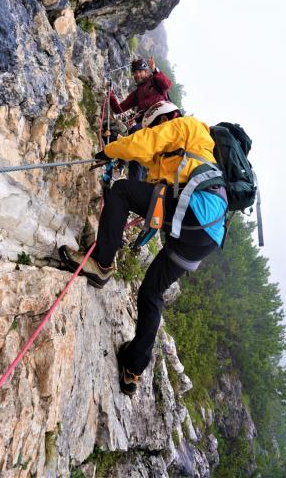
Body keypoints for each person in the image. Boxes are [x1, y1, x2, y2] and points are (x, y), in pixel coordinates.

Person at [59, 102, 228, 397]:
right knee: (151, 292)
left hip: (193, 212)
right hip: (207, 235)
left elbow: (145, 142)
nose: (155, 128)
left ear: (167, 116)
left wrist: (108, 151)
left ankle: (101, 264)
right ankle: (134, 367)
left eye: (156, 123)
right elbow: (154, 190)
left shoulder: (186, 125)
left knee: (122, 190)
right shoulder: (193, 155)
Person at [109, 57, 172, 180]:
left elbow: (167, 84)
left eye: (140, 71)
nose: (137, 74)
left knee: (134, 134)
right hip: (148, 126)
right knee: (136, 152)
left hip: (162, 122)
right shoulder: (137, 94)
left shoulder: (155, 81)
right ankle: (133, 182)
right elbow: (119, 109)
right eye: (135, 72)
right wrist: (111, 94)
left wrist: (155, 69)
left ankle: (121, 165)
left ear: (146, 71)